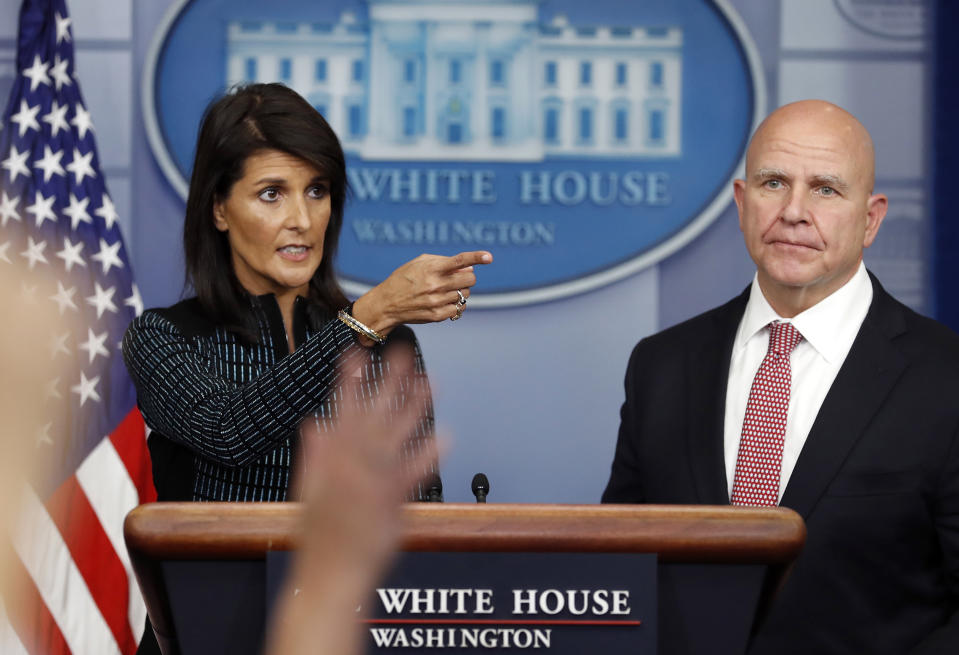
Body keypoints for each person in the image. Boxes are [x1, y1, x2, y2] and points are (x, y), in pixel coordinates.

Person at [122, 83, 490, 652]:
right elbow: (229, 430)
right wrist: (366, 320)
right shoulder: (164, 335)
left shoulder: (391, 346)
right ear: (219, 209)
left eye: (316, 191)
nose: (301, 219)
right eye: (271, 194)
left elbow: (418, 515)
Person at [603, 100, 959, 654]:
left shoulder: (946, 376)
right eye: (774, 182)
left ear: (870, 219)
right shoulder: (661, 365)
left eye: (825, 189)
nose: (793, 211)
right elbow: (619, 571)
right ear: (743, 203)